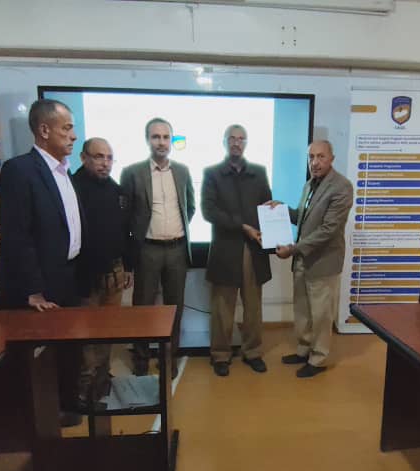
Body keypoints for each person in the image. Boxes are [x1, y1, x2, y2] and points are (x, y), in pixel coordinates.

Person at [0, 98, 84, 425]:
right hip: (40, 284)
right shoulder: (20, 170)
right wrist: (33, 290)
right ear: (44, 130)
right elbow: (17, 235)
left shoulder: (64, 171)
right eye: (67, 128)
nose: (74, 136)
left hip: (67, 275)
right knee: (41, 354)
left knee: (68, 348)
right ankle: (43, 413)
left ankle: (69, 402)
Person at [271, 140, 354, 378]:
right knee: (303, 311)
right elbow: (303, 217)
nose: (315, 162)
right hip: (303, 260)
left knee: (321, 314)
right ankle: (304, 349)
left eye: (320, 157)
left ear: (332, 159)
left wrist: (294, 249)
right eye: (311, 157)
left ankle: (317, 359)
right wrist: (281, 209)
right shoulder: (309, 184)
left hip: (323, 263)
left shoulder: (342, 187)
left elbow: (328, 229)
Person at [120, 118, 195, 376]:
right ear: (147, 140)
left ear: (171, 140)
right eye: (155, 137)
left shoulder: (183, 171)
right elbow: (126, 215)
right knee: (143, 307)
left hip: (177, 250)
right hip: (147, 250)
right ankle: (141, 358)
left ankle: (169, 357)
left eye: (165, 137)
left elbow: (190, 207)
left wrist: (175, 230)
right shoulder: (132, 172)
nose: (161, 142)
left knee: (175, 308)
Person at [202, 125, 273, 377]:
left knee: (253, 308)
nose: (236, 143)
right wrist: (242, 226)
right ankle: (220, 354)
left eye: (241, 139)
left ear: (246, 143)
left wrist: (275, 233)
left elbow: (267, 207)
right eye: (232, 138)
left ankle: (253, 352)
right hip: (225, 249)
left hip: (254, 250)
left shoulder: (259, 172)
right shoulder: (212, 173)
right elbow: (208, 211)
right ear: (224, 142)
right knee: (222, 308)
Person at [72, 137, 133, 414]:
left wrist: (128, 266)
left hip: (115, 272)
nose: (105, 163)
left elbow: (125, 231)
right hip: (84, 276)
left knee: (108, 331)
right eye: (98, 157)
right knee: (86, 337)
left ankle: (101, 382)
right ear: (84, 158)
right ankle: (82, 392)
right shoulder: (71, 189)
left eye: (109, 158)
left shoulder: (117, 191)